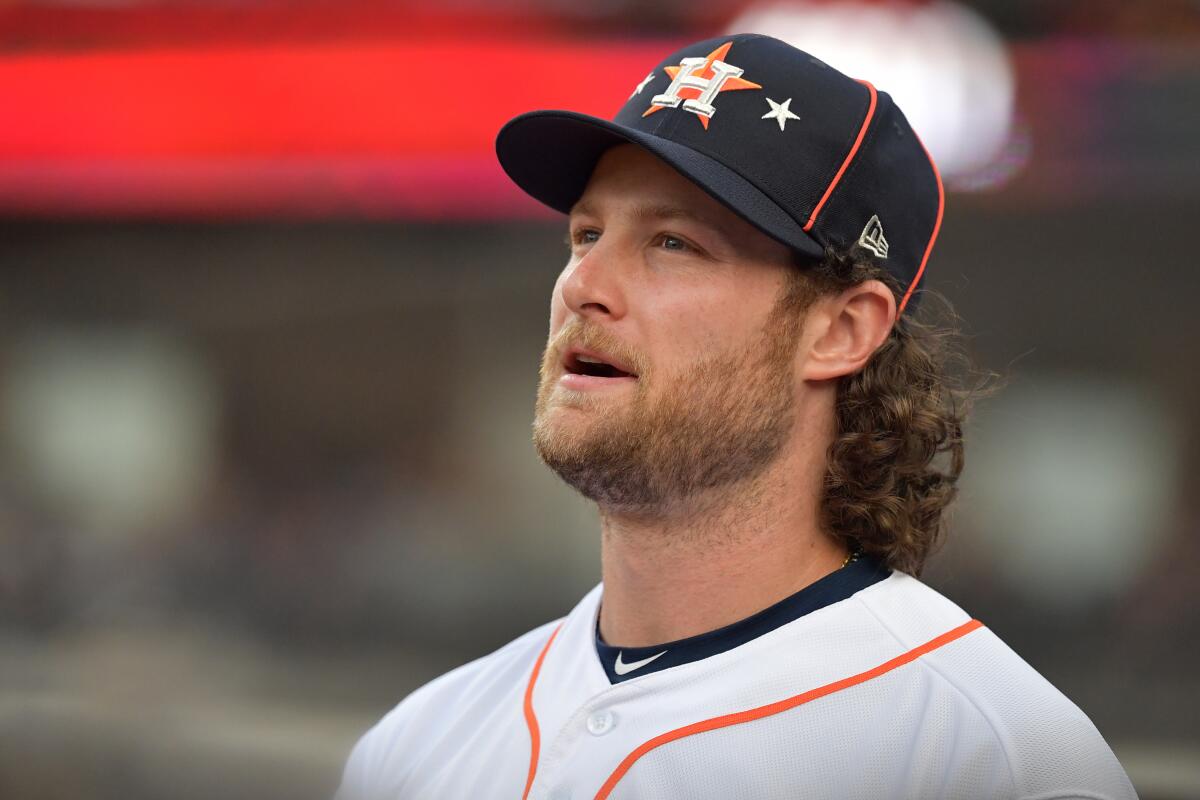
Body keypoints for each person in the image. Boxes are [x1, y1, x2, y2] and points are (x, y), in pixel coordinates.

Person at [336, 33, 1136, 800]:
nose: (584, 284)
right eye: (586, 233)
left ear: (842, 329)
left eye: (675, 243)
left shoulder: (995, 763)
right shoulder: (414, 747)